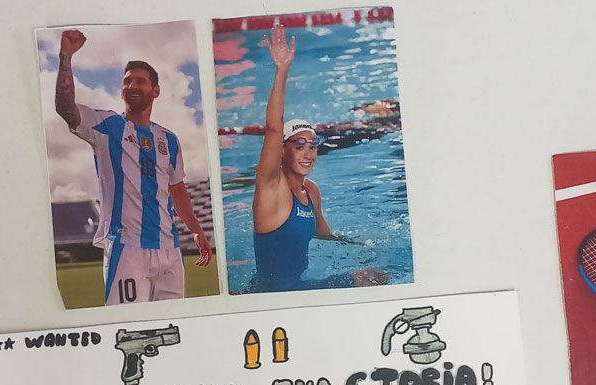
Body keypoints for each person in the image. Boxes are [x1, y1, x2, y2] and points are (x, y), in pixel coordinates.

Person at [54, 29, 213, 306]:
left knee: (174, 324)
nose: (132, 86)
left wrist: (197, 230)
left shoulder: (169, 140)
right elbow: (66, 108)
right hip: (128, 249)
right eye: (127, 81)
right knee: (127, 325)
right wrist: (65, 57)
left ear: (156, 90)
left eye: (140, 80)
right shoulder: (107, 126)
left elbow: (176, 189)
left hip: (169, 250)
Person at [251, 23, 386, 293]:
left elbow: (324, 235)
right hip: (276, 293)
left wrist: (362, 247)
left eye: (312, 146)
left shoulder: (311, 191)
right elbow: (274, 128)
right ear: (282, 150)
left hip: (301, 286)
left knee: (377, 274)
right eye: (299, 146)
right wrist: (282, 71)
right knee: (376, 279)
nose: (308, 153)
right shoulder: (271, 187)